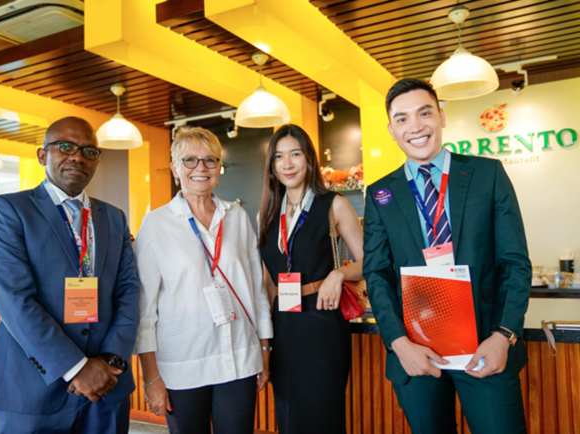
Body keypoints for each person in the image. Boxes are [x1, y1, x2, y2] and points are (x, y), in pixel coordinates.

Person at [363, 78, 531, 434]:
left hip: (485, 347)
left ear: (440, 116)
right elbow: (376, 274)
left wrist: (504, 335)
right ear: (392, 130)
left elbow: (515, 263)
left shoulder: (488, 174)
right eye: (402, 119)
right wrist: (398, 344)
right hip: (416, 351)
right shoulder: (380, 193)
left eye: (424, 113)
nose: (416, 126)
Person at [0, 117, 141, 433]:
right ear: (42, 155)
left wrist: (112, 360)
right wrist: (76, 368)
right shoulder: (9, 210)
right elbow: (15, 301)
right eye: (65, 147)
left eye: (89, 151)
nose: (78, 157)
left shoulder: (114, 218)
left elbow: (129, 291)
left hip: (106, 388)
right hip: (31, 390)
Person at [133, 126, 273, 434]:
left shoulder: (236, 216)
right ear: (174, 168)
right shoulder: (156, 224)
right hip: (182, 367)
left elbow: (257, 290)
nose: (201, 168)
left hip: (239, 360)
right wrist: (151, 377)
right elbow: (145, 309)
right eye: (190, 160)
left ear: (219, 168)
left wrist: (263, 350)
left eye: (210, 160)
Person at [258, 124, 364, 434]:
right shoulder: (266, 211)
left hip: (321, 322)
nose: (287, 164)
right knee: (288, 414)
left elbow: (370, 262)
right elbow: (266, 280)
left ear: (309, 159)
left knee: (321, 413)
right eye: (279, 157)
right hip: (281, 324)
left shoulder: (333, 205)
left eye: (295, 154)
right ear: (272, 165)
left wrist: (339, 273)